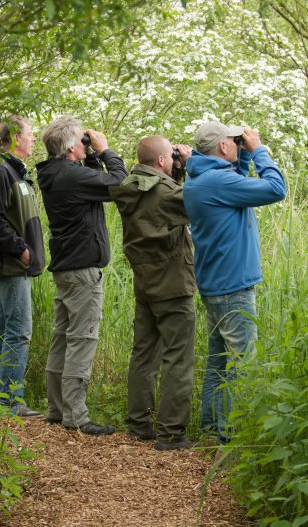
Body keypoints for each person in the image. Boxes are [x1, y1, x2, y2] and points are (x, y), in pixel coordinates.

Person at [183, 121, 287, 445]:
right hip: (233, 289)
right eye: (233, 141)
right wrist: (258, 150)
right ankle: (232, 436)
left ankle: (212, 430)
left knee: (218, 362)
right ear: (224, 147)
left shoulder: (200, 178)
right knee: (243, 363)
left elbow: (236, 184)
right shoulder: (219, 181)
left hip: (215, 285)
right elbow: (275, 188)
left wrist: (240, 157)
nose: (237, 144)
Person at [36, 116, 127, 436]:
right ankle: (76, 414)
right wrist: (105, 151)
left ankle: (57, 408)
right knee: (82, 339)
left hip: (66, 266)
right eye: (82, 141)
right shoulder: (71, 176)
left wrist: (90, 158)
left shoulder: (55, 173)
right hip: (83, 270)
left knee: (62, 337)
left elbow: (96, 184)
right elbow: (120, 184)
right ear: (72, 147)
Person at [109, 136, 196, 451]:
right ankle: (171, 433)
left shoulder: (130, 189)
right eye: (171, 155)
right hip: (173, 284)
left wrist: (179, 168)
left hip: (145, 282)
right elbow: (198, 202)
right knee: (177, 358)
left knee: (144, 353)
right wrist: (193, 165)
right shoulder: (168, 193)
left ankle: (139, 424)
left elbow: (164, 201)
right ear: (162, 161)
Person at [0, 116, 45, 418]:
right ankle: (8, 399)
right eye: (30, 134)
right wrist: (22, 251)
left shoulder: (16, 173)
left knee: (3, 329)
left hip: (17, 264)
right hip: (11, 264)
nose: (34, 139)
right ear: (16, 137)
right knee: (18, 331)